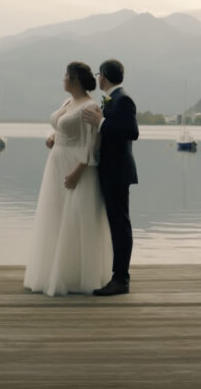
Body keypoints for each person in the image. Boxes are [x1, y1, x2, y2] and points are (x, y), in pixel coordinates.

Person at [23, 61, 113, 296]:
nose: (63, 78)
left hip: (76, 166)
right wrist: (52, 136)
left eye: (66, 75)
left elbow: (92, 143)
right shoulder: (68, 102)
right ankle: (55, 271)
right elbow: (61, 127)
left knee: (76, 219)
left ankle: (77, 276)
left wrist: (78, 170)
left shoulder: (90, 106)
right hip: (57, 161)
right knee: (56, 215)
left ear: (75, 80)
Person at [82, 59, 138, 296]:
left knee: (120, 226)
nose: (97, 78)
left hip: (117, 172)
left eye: (98, 74)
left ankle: (121, 279)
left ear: (103, 76)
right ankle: (117, 275)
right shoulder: (110, 99)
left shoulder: (122, 99)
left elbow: (132, 132)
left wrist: (101, 122)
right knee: (116, 224)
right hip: (109, 171)